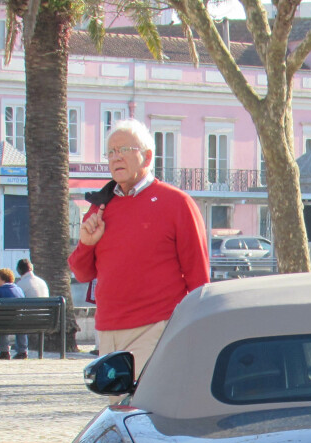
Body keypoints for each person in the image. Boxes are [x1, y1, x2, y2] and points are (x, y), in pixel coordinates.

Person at [69, 118, 209, 370]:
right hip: (108, 329)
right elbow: (81, 272)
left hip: (158, 327)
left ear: (146, 157)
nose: (115, 157)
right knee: (120, 406)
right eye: (110, 152)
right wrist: (87, 243)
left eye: (123, 150)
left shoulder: (177, 203)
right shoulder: (100, 206)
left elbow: (199, 278)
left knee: (146, 405)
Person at [14, 258, 48, 358]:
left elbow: (15, 304)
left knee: (17, 319)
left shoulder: (21, 284)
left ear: (19, 270)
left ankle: (22, 350)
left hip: (30, 319)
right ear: (31, 268)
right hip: (45, 318)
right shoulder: (42, 282)